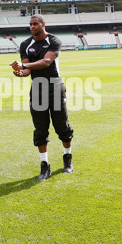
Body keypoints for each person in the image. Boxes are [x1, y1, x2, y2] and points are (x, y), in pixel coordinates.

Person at [10, 14, 74, 181]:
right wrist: (20, 72)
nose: (32, 27)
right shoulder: (25, 44)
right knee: (40, 129)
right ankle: (44, 165)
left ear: (42, 24)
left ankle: (67, 157)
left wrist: (24, 65)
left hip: (55, 86)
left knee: (62, 126)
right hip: (37, 87)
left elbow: (46, 62)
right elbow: (27, 71)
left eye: (35, 24)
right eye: (30, 24)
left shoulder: (54, 41)